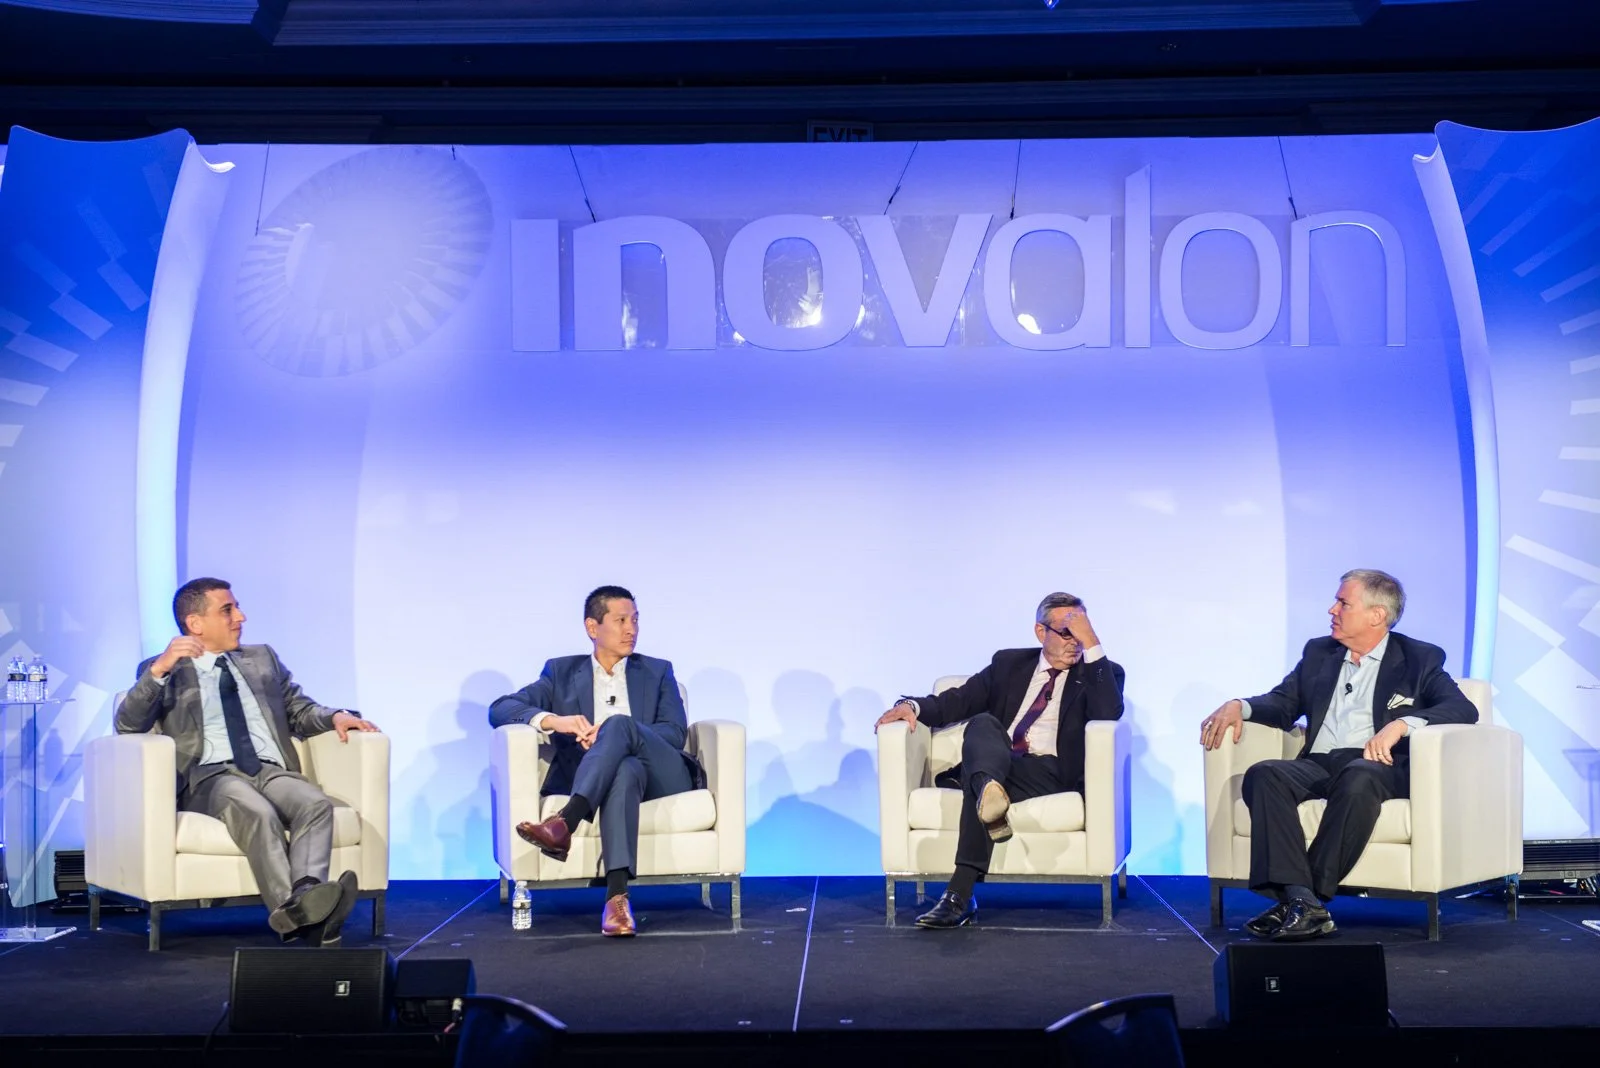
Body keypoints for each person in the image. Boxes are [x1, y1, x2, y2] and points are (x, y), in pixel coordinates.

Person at [1199, 568, 1479, 941]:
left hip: (1376, 765)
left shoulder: (1418, 658)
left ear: (1377, 615)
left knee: (1358, 776)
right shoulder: (1320, 652)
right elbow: (1284, 703)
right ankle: (1304, 902)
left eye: (1343, 603)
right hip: (1318, 762)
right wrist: (1241, 706)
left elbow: (1462, 710)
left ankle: (1301, 901)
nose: (1332, 609)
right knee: (1264, 774)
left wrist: (1403, 725)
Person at [114, 577, 379, 945]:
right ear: (195, 624)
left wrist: (334, 716)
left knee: (316, 804)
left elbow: (298, 710)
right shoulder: (165, 669)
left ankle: (304, 899)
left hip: (270, 768)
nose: (241, 616)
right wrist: (160, 668)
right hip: (210, 776)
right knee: (256, 812)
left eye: (236, 607)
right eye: (228, 610)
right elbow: (128, 724)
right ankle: (307, 913)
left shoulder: (262, 659)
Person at [875, 592, 1125, 929]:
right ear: (1041, 632)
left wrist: (1092, 641)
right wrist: (912, 706)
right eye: (1068, 633)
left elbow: (1107, 714)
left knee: (977, 778)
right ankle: (987, 789)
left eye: (1082, 633)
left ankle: (959, 892)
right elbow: (958, 701)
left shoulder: (1102, 673)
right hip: (1001, 762)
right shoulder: (1009, 665)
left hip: (1049, 771)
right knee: (983, 724)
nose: (1075, 643)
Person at [490, 586, 703, 937]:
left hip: (662, 776)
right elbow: (500, 708)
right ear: (592, 627)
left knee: (619, 726)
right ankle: (617, 899)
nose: (631, 629)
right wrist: (554, 721)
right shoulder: (560, 673)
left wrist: (615, 734)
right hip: (615, 778)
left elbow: (673, 733)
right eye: (621, 621)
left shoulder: (657, 671)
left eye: (635, 620)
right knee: (624, 768)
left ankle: (565, 822)